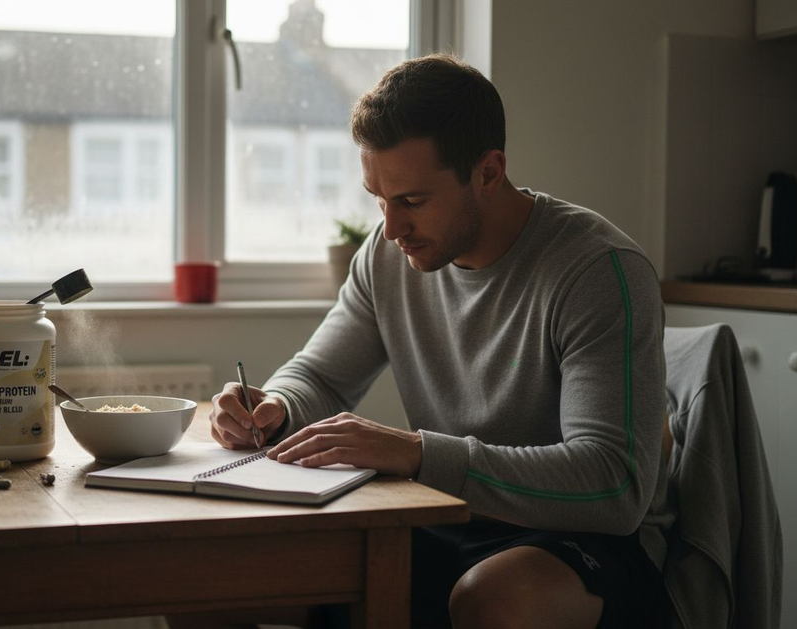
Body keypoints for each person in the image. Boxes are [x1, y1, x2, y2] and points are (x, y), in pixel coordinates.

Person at [207, 53, 670, 628]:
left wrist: (418, 453)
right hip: (443, 517)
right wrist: (277, 407)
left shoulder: (598, 271)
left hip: (578, 543)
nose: (391, 227)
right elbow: (321, 377)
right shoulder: (386, 254)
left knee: (492, 599)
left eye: (412, 202)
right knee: (207, 576)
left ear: (488, 172)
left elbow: (613, 484)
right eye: (378, 199)